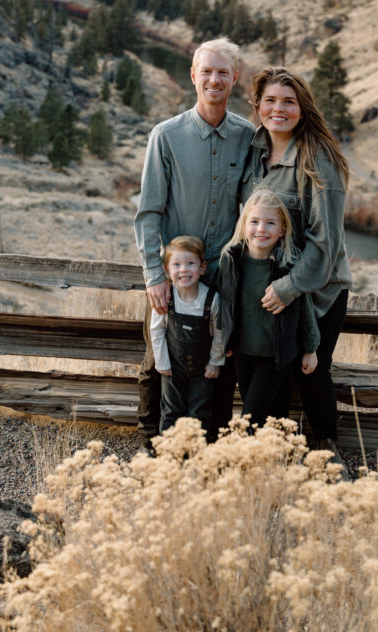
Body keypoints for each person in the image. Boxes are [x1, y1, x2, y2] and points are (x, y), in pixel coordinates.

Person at [134, 37, 255, 449]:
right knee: (158, 358)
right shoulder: (166, 136)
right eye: (206, 71)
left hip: (223, 274)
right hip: (175, 272)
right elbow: (149, 212)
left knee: (220, 359)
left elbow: (256, 208)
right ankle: (152, 441)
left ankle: (211, 442)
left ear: (235, 78)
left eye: (223, 72)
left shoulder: (247, 137)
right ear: (193, 76)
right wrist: (155, 274)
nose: (214, 79)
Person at [241, 66, 352, 466]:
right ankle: (273, 452)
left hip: (318, 289)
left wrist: (289, 288)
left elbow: (327, 243)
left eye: (288, 101)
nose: (278, 109)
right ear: (257, 106)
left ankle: (326, 449)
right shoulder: (254, 150)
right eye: (270, 100)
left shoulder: (319, 159)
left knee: (311, 369)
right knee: (271, 365)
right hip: (268, 287)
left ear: (302, 108)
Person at [219, 190, 319, 430]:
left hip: (274, 358)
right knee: (269, 413)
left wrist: (311, 349)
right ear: (244, 225)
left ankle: (244, 461)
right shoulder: (231, 261)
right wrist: (225, 341)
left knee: (249, 419)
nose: (261, 229)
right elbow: (225, 304)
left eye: (270, 223)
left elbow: (305, 311)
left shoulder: (287, 267)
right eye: (254, 221)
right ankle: (273, 460)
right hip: (242, 354)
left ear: (282, 230)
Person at [150, 235, 225, 435]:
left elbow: (219, 333)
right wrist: (162, 362)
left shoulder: (211, 299)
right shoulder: (166, 298)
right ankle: (168, 455)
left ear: (202, 268)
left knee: (199, 412)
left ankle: (195, 456)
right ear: (167, 271)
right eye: (177, 265)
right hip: (173, 368)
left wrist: (215, 362)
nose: (183, 269)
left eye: (190, 263)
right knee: (171, 411)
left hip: (203, 370)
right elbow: (157, 331)